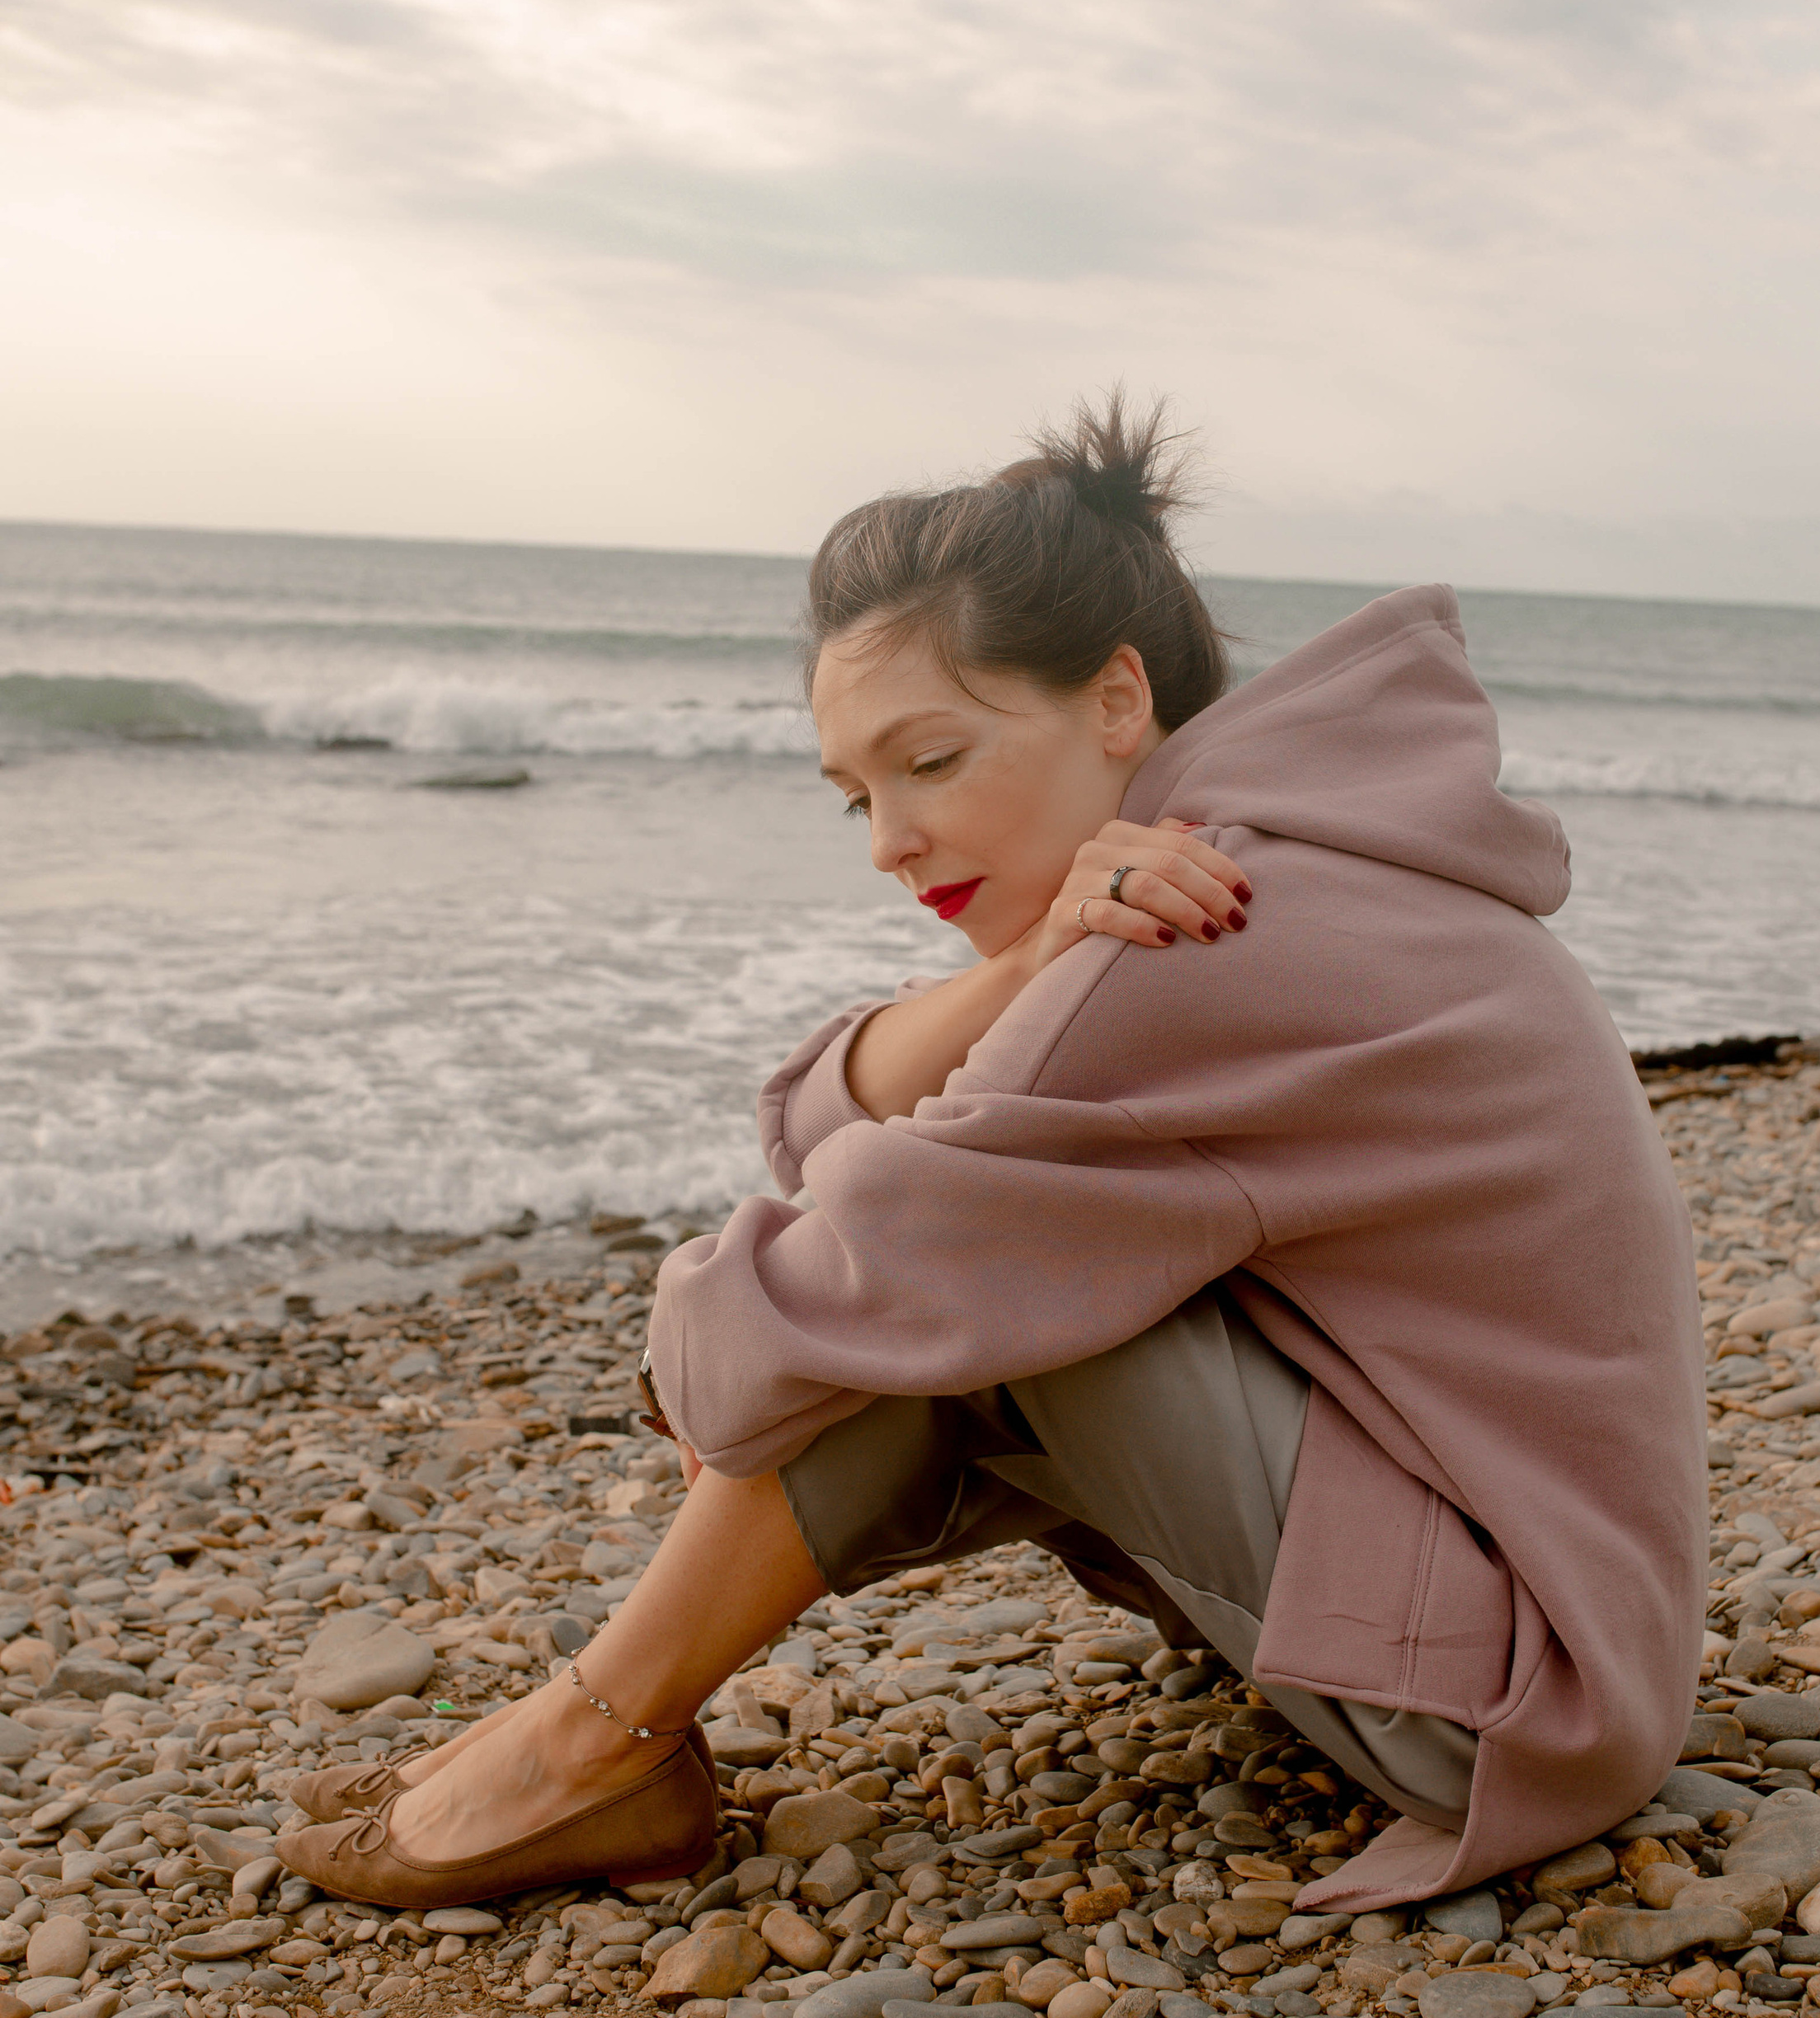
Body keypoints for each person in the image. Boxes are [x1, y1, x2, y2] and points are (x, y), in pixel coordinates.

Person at [280, 394, 1706, 1914]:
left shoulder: (1205, 925)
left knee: (932, 1291)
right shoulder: (1283, 852)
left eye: (934, 760)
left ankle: (586, 1747)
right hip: (1565, 1636)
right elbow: (831, 1118)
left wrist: (718, 1345)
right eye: (857, 793)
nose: (890, 838)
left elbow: (847, 1256)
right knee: (937, 1268)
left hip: (1500, 1704)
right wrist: (1021, 972)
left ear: (1113, 700)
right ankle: (589, 1736)